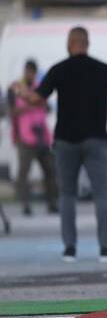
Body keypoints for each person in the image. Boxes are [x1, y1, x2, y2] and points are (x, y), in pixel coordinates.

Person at [13, 27, 107, 262]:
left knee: (67, 194)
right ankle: (106, 249)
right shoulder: (103, 68)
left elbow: (36, 99)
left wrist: (21, 91)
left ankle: (70, 249)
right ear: (88, 43)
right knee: (102, 194)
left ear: (69, 44)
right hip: (97, 140)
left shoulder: (59, 69)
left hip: (66, 141)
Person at [6, 60, 58, 216]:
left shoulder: (39, 87)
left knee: (50, 170)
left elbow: (48, 107)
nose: (31, 75)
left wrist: (40, 104)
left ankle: (52, 203)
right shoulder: (15, 88)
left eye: (33, 73)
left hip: (42, 135)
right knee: (24, 173)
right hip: (25, 137)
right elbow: (10, 112)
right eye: (29, 72)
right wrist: (29, 105)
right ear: (25, 71)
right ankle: (25, 204)